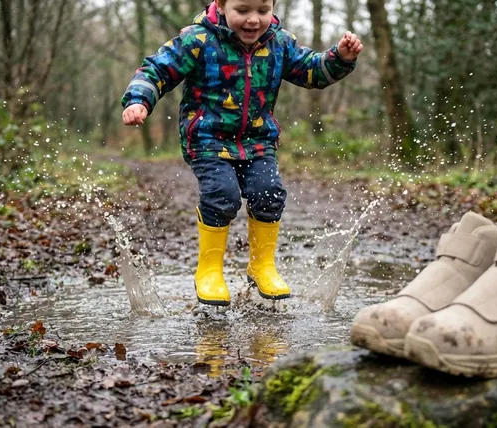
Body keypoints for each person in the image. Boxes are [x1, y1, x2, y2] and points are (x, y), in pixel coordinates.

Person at [122, 0, 363, 306]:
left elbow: (312, 72)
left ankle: (261, 266)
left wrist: (340, 57)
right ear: (221, 5)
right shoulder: (198, 39)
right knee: (223, 195)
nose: (254, 20)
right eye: (243, 10)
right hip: (207, 139)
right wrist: (138, 100)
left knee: (269, 192)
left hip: (258, 141)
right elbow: (157, 68)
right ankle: (209, 270)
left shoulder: (280, 43)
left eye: (263, 10)